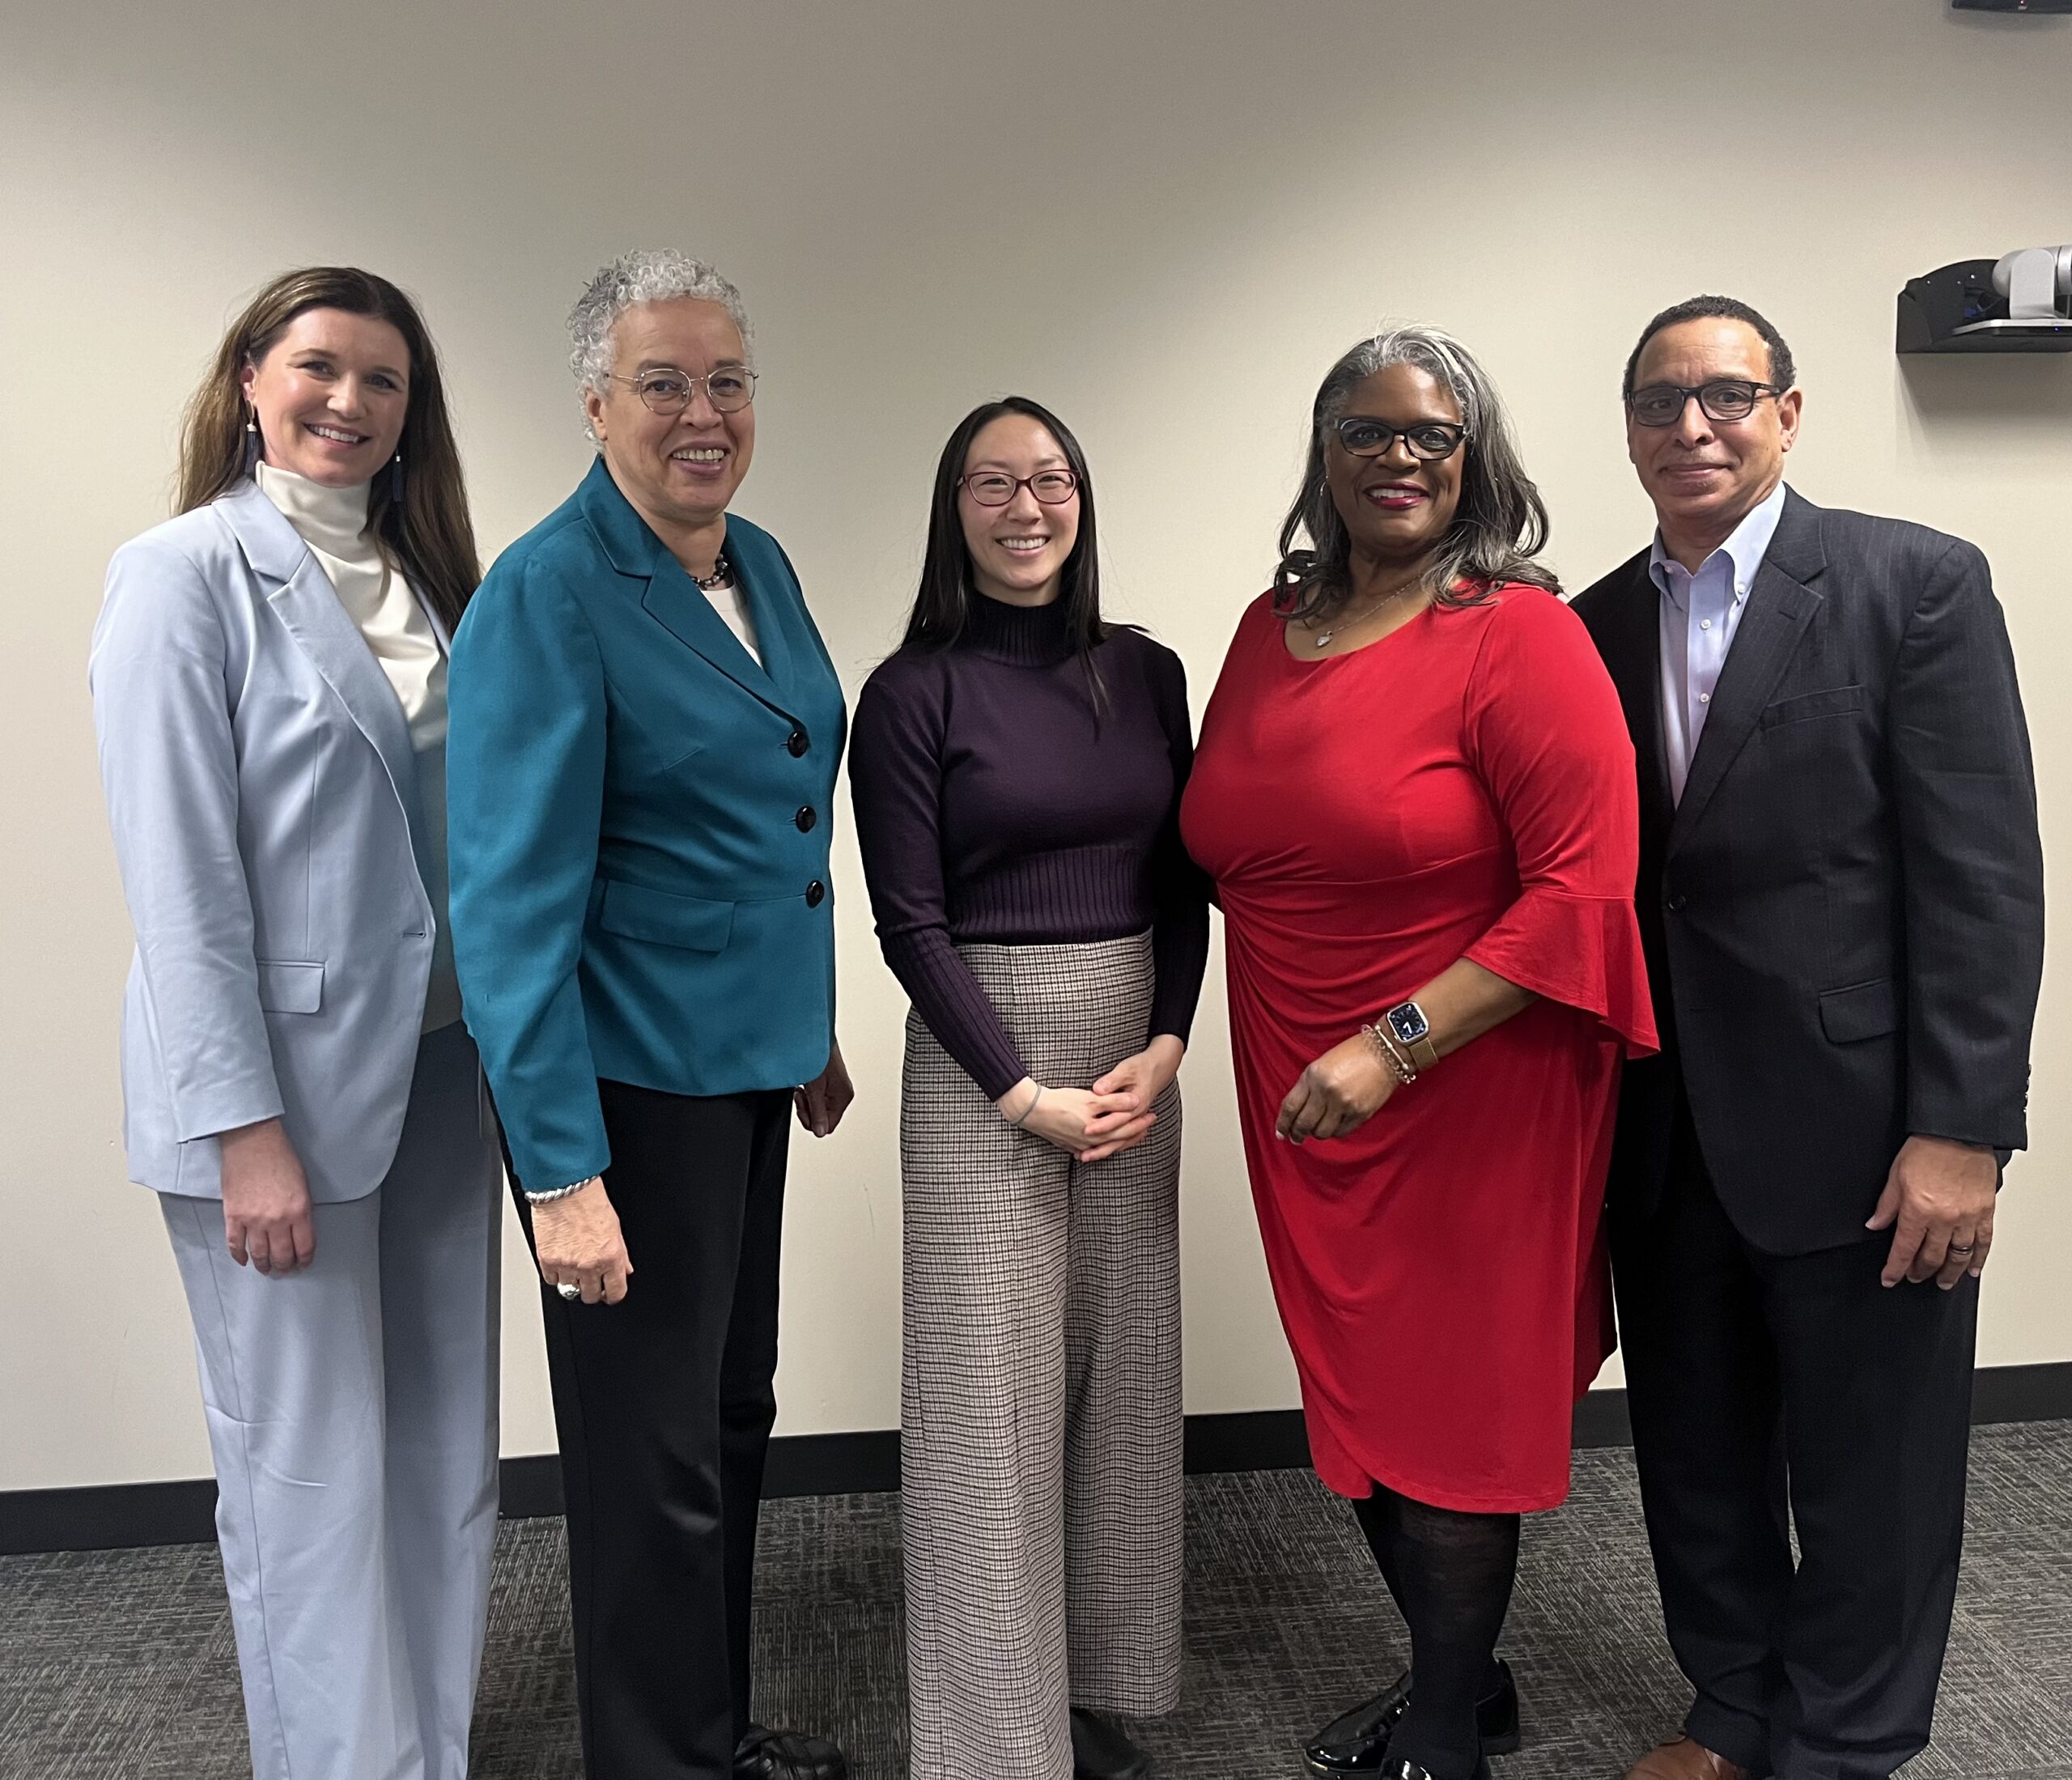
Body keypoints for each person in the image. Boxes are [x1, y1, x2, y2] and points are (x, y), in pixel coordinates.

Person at [1569, 295, 2044, 1780]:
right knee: (1696, 1454)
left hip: (1867, 1129)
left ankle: (1846, 1741)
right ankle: (1732, 1708)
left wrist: (1964, 1129)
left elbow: (1982, 876)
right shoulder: (1590, 626)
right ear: (1629, 429)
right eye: (1660, 402)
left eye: (1725, 396)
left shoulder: (1914, 584)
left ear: (1787, 412)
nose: (1691, 427)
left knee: (1871, 1471)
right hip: (1664, 1127)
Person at [1180, 326, 1657, 1780]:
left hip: (1464, 1077)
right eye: (1367, 430)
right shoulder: (1272, 625)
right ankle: (1469, 1676)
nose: (1399, 456)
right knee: (1360, 1391)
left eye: (1432, 434)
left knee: (1450, 1407)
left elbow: (1584, 891)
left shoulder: (1518, 634)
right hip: (1301, 1076)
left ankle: (1445, 1734)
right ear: (1323, 454)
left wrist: (1393, 1044)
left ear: (1473, 460)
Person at [88, 266, 499, 1780]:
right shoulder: (180, 574)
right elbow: (181, 883)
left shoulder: (431, 580)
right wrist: (243, 1131)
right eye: (319, 366)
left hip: (442, 1074)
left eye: (384, 380)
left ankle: (427, 1752)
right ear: (251, 377)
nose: (349, 401)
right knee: (310, 1479)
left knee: (444, 1454)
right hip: (279, 1107)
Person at [444, 250, 851, 1780]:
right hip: (622, 1093)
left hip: (742, 1069)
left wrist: (808, 1024)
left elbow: (771, 816)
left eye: (727, 381)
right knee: (648, 1460)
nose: (704, 414)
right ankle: (655, 1758)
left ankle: (708, 1732)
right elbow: (508, 907)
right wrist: (557, 1172)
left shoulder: (760, 562)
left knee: (729, 1419)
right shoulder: (549, 589)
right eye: (664, 383)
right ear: (595, 403)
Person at [849, 398, 1210, 1780]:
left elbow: (1185, 883)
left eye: (1050, 479)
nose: (1025, 508)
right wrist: (1017, 1091)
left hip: (1131, 1063)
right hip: (981, 1069)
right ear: (954, 508)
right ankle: (995, 1740)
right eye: (993, 483)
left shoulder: (1149, 671)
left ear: (1082, 499)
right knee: (985, 1402)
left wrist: (1169, 1042)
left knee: (1123, 1386)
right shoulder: (911, 693)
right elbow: (909, 924)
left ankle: (1099, 1688)